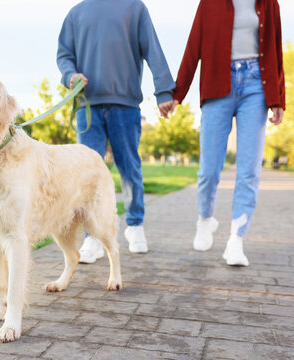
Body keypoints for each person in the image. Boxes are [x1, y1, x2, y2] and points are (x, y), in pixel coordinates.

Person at [57, 0, 177, 263]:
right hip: (88, 105)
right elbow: (64, 55)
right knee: (87, 176)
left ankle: (134, 225)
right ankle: (92, 237)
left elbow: (153, 50)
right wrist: (70, 76)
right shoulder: (77, 13)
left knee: (129, 167)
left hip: (125, 104)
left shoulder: (135, 8)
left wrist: (164, 91)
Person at [173, 0, 285, 266]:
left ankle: (236, 239)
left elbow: (275, 50)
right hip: (217, 86)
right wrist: (178, 94)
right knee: (209, 170)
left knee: (249, 170)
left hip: (256, 84)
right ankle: (205, 219)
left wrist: (278, 98)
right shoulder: (209, 3)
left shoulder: (268, 3)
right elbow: (193, 47)